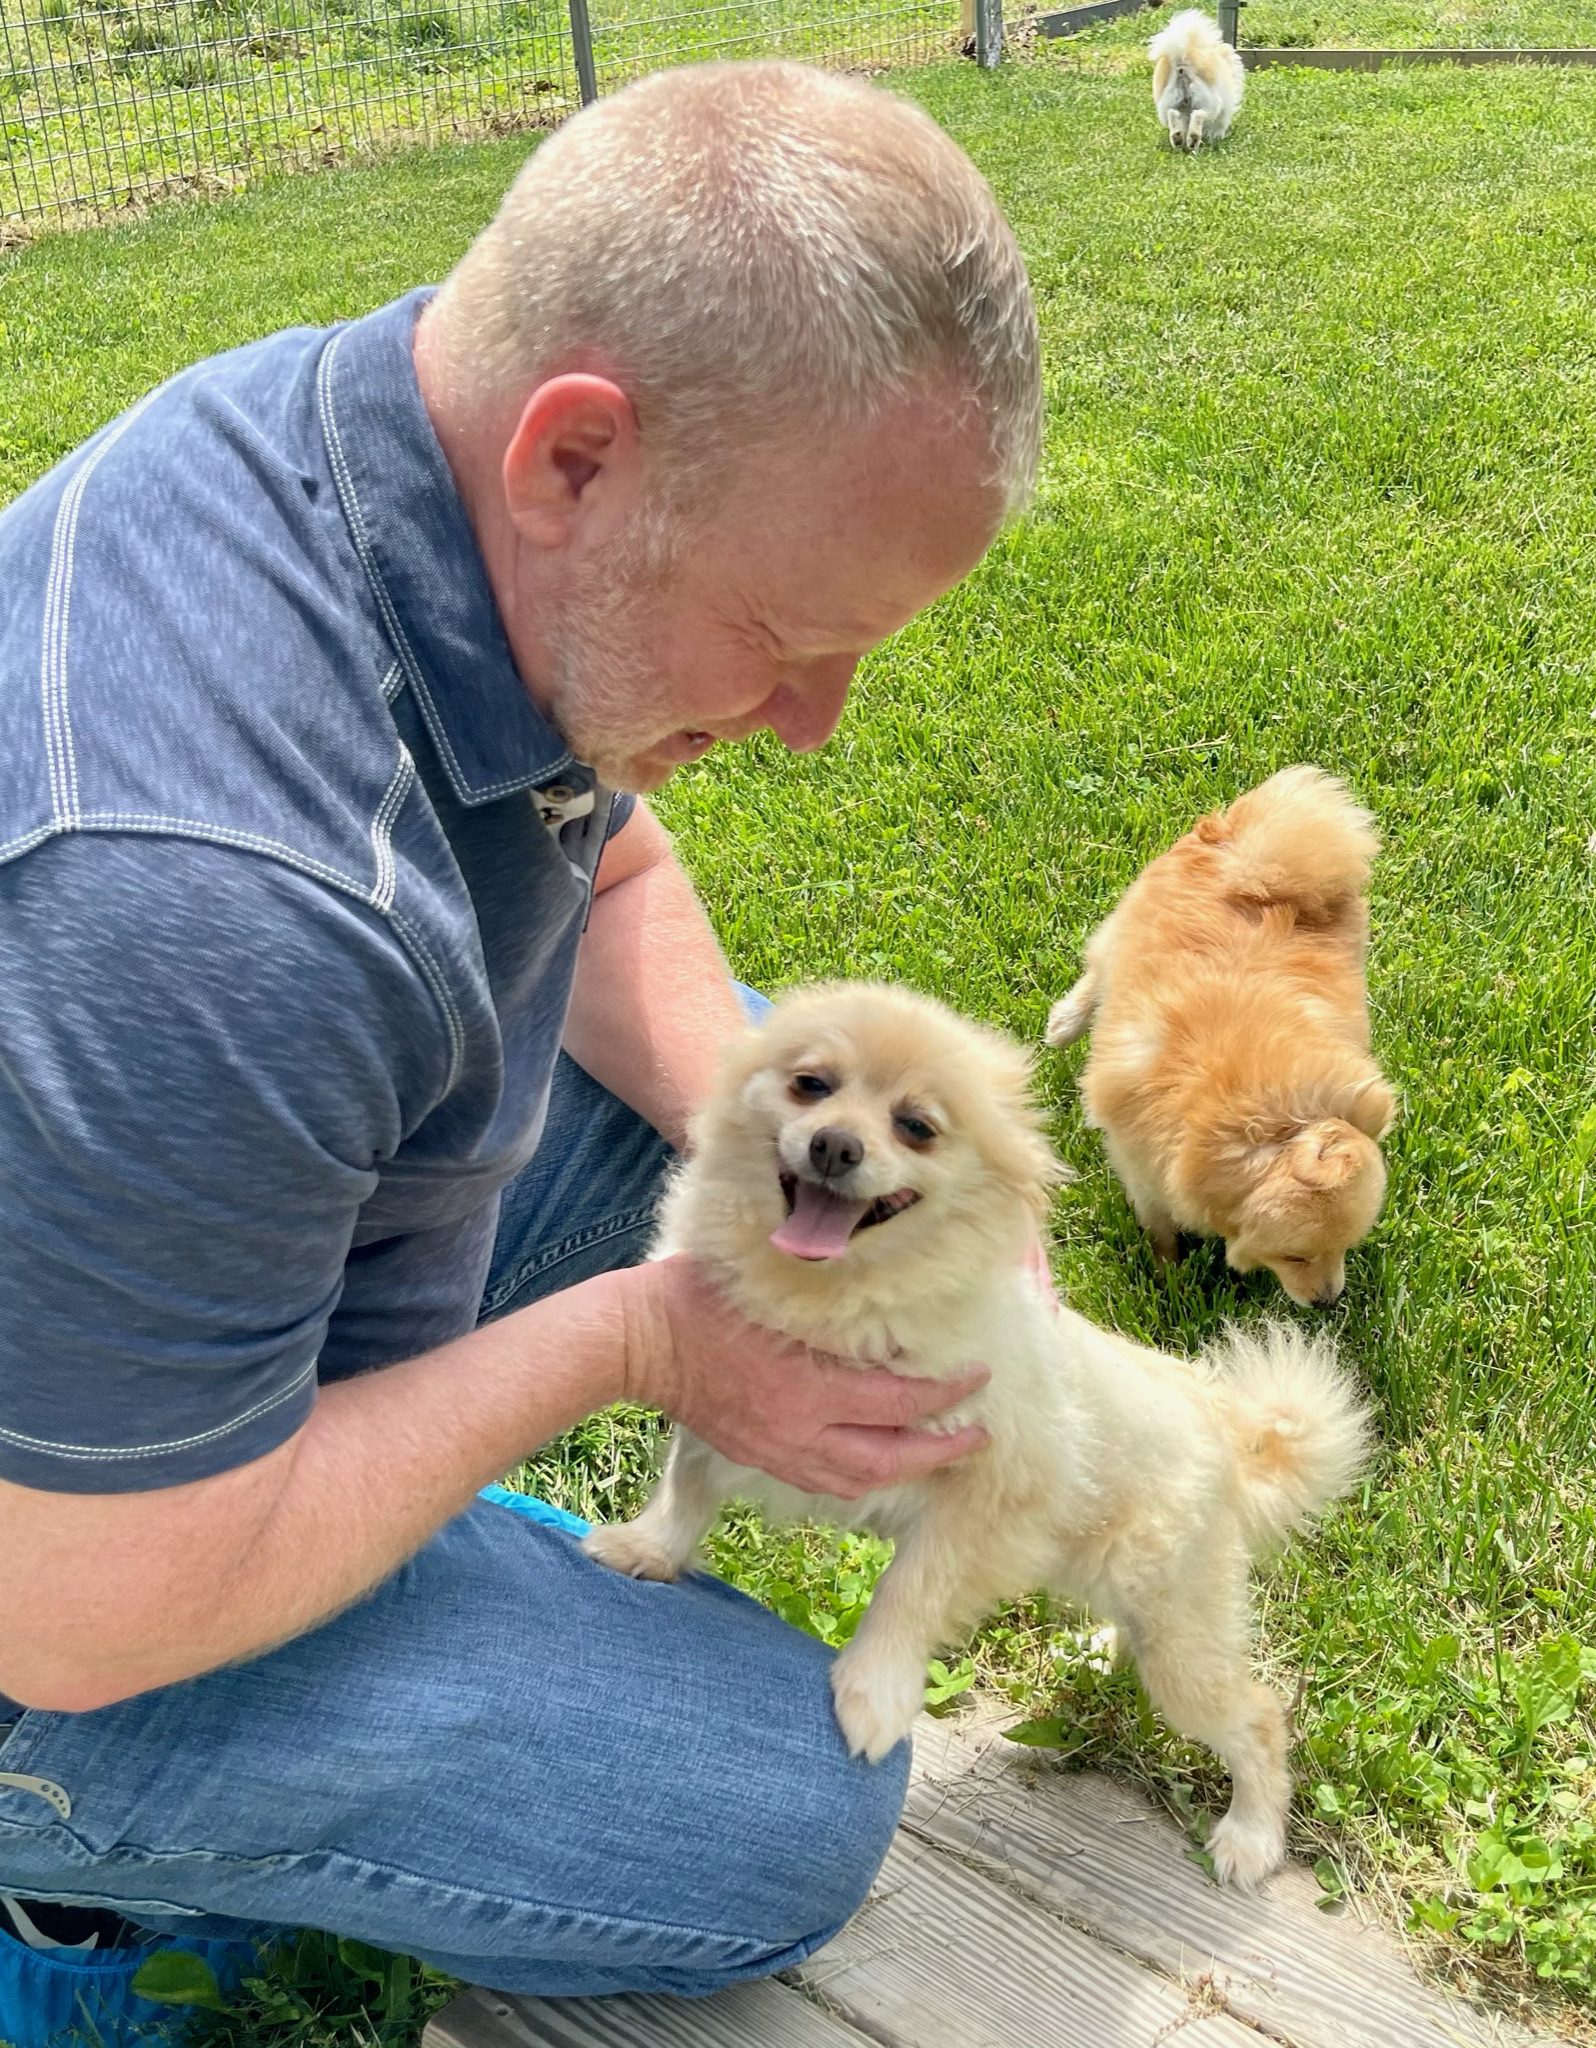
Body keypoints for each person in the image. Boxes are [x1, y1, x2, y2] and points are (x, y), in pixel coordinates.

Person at [0, 56, 1040, 2042]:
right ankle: (66, 1866)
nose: (818, 720)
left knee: (736, 1121)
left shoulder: (391, 458)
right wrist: (643, 1338)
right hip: (60, 1590)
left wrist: (875, 1179)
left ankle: (351, 1510)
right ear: (580, 458)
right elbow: (79, 1604)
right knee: (787, 1805)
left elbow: (614, 876)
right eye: (794, 634)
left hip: (144, 1289)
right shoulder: (210, 901)